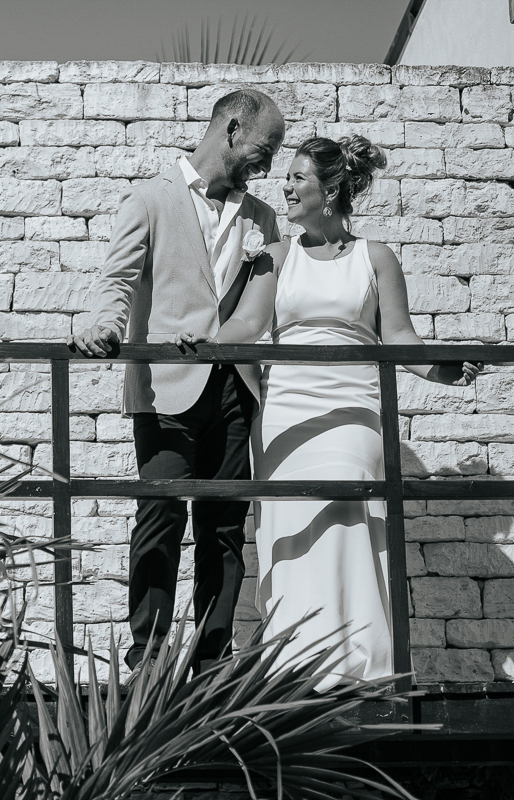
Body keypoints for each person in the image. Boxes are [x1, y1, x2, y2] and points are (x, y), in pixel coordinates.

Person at [176, 135, 482, 690]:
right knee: (290, 529)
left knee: (349, 513)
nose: (285, 186)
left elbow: (400, 337)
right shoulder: (274, 255)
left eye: (297, 178)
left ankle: (362, 667)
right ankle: (295, 668)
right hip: (288, 414)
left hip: (352, 409)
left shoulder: (377, 258)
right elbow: (247, 326)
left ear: (331, 190)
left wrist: (438, 367)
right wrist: (207, 337)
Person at [70, 89, 286, 676]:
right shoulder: (149, 198)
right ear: (233, 129)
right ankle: (149, 659)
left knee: (224, 529)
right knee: (160, 516)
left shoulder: (262, 219)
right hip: (165, 385)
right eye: (265, 149)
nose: (268, 164)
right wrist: (102, 326)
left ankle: (213, 664)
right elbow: (117, 278)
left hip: (235, 387)